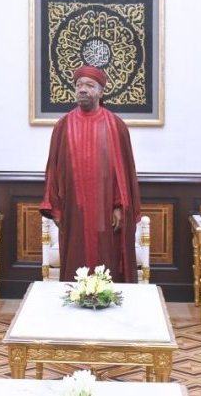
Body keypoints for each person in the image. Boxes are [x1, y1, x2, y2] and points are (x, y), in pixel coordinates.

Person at [40, 65, 141, 283]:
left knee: (107, 260)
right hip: (73, 210)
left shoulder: (115, 125)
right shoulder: (63, 126)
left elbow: (122, 172)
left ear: (101, 92)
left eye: (89, 85)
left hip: (106, 211)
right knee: (75, 261)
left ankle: (107, 298)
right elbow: (53, 169)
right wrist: (55, 208)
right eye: (79, 85)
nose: (83, 89)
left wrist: (118, 206)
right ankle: (76, 299)